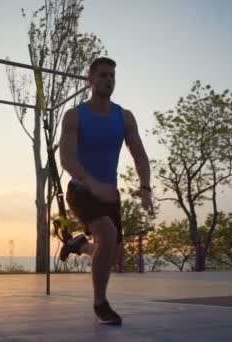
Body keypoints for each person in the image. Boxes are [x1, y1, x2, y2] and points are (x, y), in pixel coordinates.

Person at [58, 57, 153, 326]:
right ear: (90, 80)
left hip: (109, 194)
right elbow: (67, 160)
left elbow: (140, 156)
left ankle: (79, 245)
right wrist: (92, 183)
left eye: (112, 76)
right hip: (81, 189)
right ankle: (101, 303)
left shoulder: (124, 117)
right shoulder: (75, 116)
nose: (108, 80)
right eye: (102, 75)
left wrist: (145, 187)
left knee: (114, 253)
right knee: (107, 234)